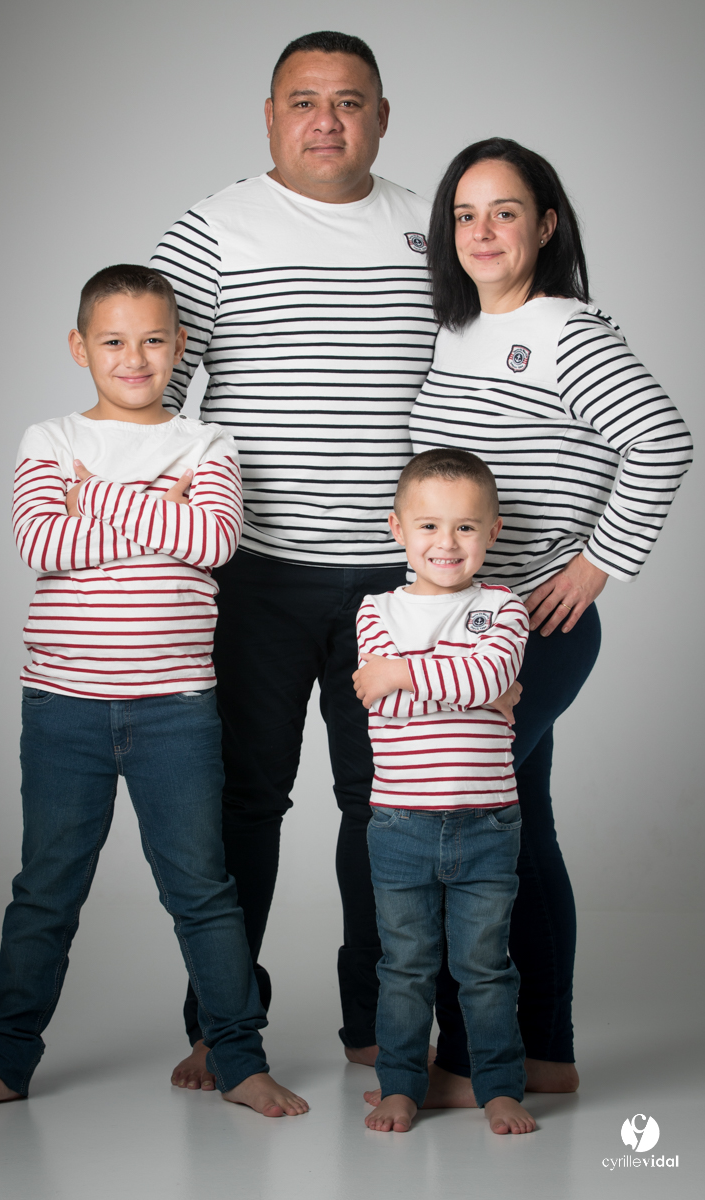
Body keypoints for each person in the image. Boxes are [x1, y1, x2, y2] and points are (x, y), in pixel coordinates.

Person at [0, 265, 308, 1119]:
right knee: (46, 889)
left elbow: (212, 540)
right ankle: (5, 1059)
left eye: (153, 340)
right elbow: (40, 541)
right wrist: (153, 510)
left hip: (176, 709)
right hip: (63, 707)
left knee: (202, 889)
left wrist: (95, 501)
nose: (134, 358)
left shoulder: (207, 444)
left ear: (179, 346)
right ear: (80, 348)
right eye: (113, 341)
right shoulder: (49, 438)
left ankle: (239, 1058)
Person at [150, 31, 436, 1087]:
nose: (326, 120)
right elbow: (150, 385)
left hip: (403, 583)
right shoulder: (213, 229)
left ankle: (378, 1022)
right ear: (269, 116)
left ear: (382, 116)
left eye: (349, 101)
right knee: (244, 803)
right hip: (258, 573)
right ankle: (220, 1022)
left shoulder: (431, 230)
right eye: (303, 100)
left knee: (387, 808)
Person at [405, 137, 693, 1106]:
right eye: (464, 214)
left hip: (534, 627)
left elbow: (661, 438)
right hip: (466, 626)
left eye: (504, 211)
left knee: (456, 827)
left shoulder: (566, 329)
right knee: (522, 840)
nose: (481, 231)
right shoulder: (452, 330)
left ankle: (463, 1062)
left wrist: (599, 561)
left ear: (546, 224)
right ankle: (545, 1053)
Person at [354, 448, 535, 1135]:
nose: (447, 542)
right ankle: (401, 1086)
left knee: (485, 967)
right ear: (398, 528)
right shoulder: (377, 610)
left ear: (492, 532)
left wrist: (408, 672)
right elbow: (384, 702)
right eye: (429, 525)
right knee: (405, 966)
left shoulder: (503, 606)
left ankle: (498, 1088)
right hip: (400, 823)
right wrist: (476, 687)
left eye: (465, 527)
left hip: (488, 822)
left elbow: (485, 677)